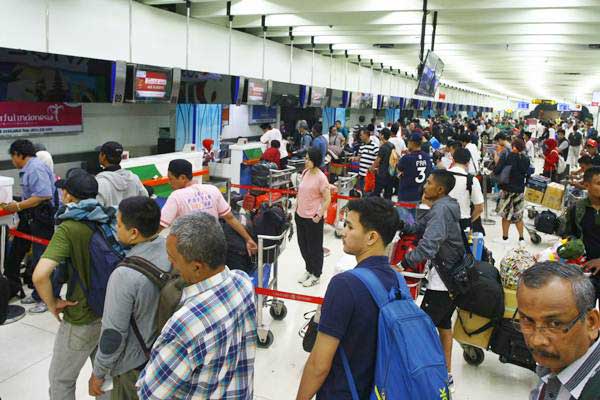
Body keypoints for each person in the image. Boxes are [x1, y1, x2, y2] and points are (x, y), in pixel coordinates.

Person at [136, 212, 256, 399]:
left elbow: (150, 393)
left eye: (173, 258)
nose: (170, 262)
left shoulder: (186, 325)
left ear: (197, 267)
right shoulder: (243, 282)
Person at [296, 197, 402, 400]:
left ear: (371, 237)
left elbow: (319, 364)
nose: (343, 232)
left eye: (350, 227)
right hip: (379, 389)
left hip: (342, 392)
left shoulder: (345, 285)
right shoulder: (396, 279)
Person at [32, 170, 117, 400]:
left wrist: (52, 303)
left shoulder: (69, 227)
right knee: (104, 378)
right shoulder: (109, 216)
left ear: (68, 195)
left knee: (61, 379)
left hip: (81, 314)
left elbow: (40, 275)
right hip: (112, 311)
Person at [88, 196, 170, 399]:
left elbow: (113, 333)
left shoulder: (124, 275)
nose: (116, 229)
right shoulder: (170, 248)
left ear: (134, 233)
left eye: (118, 224)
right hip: (163, 353)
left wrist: (99, 373)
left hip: (135, 364)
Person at [401, 170, 466, 391]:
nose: (424, 186)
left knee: (423, 329)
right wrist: (400, 221)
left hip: (444, 280)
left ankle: (421, 378)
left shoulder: (441, 211)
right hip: (452, 277)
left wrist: (404, 262)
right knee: (443, 325)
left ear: (440, 189)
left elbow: (429, 246)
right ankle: (445, 375)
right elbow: (419, 227)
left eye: (428, 183)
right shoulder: (443, 206)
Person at [516, 262, 600, 400]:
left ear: (591, 323)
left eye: (555, 324)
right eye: (528, 320)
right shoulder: (555, 363)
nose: (537, 341)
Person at [3, 139, 57, 313]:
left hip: (42, 218)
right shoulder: (29, 169)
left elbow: (44, 195)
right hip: (33, 217)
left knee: (43, 259)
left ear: (19, 154)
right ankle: (36, 294)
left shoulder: (35, 168)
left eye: (13, 157)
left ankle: (45, 299)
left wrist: (18, 206)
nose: (13, 161)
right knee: (32, 255)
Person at [160, 159, 258, 254]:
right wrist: (248, 239)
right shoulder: (212, 190)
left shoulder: (176, 196)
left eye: (171, 179)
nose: (169, 183)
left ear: (182, 178)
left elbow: (160, 225)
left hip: (190, 251)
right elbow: (230, 218)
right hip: (214, 247)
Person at [561, 166, 600, 304]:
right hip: (585, 272)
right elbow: (567, 234)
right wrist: (573, 247)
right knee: (584, 312)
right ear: (586, 185)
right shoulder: (576, 208)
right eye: (598, 183)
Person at [295, 147, 331, 287]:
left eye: (308, 159)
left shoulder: (321, 177)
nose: (306, 161)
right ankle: (309, 269)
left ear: (315, 160)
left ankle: (316, 274)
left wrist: (319, 214)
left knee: (314, 248)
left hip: (313, 218)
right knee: (303, 246)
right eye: (305, 158)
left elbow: (327, 199)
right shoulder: (305, 172)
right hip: (300, 215)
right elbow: (300, 192)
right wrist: (296, 208)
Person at [494, 138, 530, 243]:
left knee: (506, 215)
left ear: (513, 146)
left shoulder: (506, 156)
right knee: (518, 214)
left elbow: (497, 170)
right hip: (519, 189)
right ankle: (521, 238)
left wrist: (497, 158)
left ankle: (505, 238)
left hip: (507, 189)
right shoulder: (526, 159)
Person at [96, 141, 148, 207]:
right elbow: (145, 199)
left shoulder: (100, 182)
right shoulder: (134, 178)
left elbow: (97, 210)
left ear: (103, 157)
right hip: (131, 217)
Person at [448, 148, 484, 231]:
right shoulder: (471, 180)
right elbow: (479, 208)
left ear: (453, 159)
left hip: (442, 220)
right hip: (463, 221)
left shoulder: (441, 176)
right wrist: (470, 221)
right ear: (468, 163)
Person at [397, 133, 433, 204]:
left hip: (406, 196)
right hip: (420, 195)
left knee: (405, 215)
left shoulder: (406, 158)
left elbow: (398, 170)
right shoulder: (427, 157)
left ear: (412, 143)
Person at [371, 128, 395, 200]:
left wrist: (372, 168)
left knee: (376, 193)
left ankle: (375, 208)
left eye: (380, 134)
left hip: (382, 174)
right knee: (388, 194)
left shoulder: (383, 147)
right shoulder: (392, 145)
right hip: (390, 173)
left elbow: (378, 160)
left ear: (382, 135)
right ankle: (387, 208)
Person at [353, 128, 379, 192]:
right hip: (361, 174)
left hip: (369, 176)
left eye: (361, 135)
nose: (360, 137)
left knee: (368, 194)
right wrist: (354, 158)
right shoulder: (362, 146)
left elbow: (379, 159)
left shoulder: (374, 146)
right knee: (361, 192)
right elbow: (359, 157)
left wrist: (374, 168)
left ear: (366, 135)